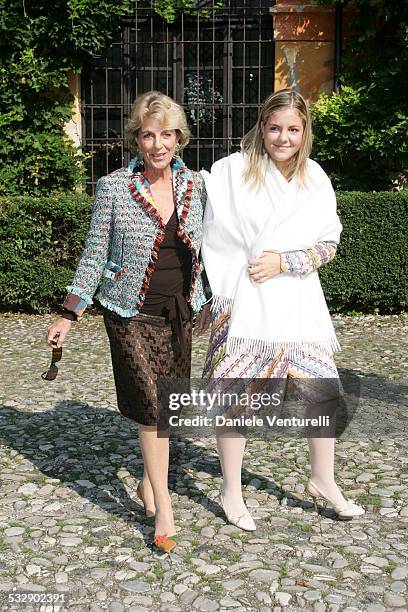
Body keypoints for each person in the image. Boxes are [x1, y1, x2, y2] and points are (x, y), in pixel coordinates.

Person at [46, 91, 211, 553]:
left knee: (170, 408)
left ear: (179, 139)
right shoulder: (115, 186)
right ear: (137, 140)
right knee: (152, 409)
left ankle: (146, 480)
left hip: (177, 309)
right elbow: (95, 252)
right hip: (128, 311)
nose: (157, 144)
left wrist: (211, 301)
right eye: (147, 134)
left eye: (166, 134)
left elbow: (211, 247)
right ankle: (163, 504)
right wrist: (69, 312)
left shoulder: (197, 186)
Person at [201, 89, 364, 531]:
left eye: (293, 129)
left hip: (296, 298)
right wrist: (210, 297)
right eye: (274, 128)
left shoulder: (315, 178)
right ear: (261, 126)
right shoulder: (231, 171)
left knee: (322, 393)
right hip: (241, 303)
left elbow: (329, 242)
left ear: (304, 131)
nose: (283, 137)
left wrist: (284, 261)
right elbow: (210, 235)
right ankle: (231, 490)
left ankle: (323, 479)